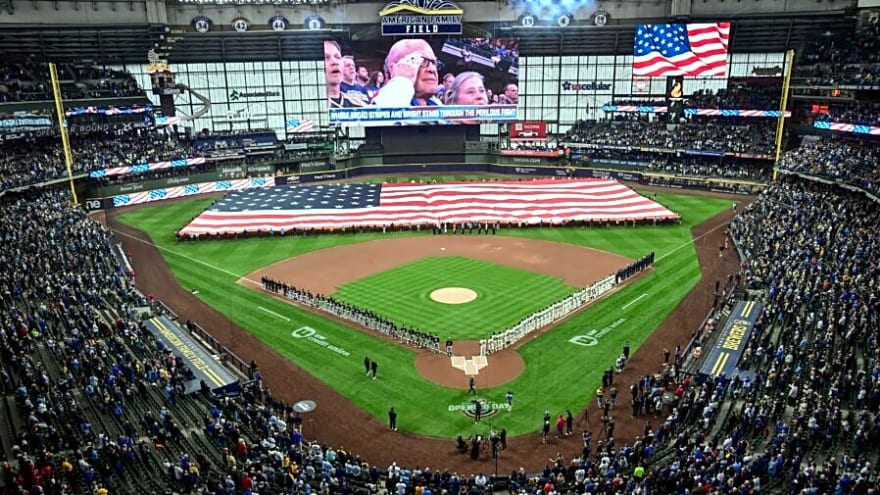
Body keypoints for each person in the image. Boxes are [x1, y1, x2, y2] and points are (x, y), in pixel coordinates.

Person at [373, 38, 442, 107]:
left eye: (433, 63)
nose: (432, 69)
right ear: (394, 69)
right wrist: (401, 81)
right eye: (422, 61)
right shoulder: (380, 101)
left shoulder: (440, 107)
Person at [324, 40, 366, 108]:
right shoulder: (308, 107)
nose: (335, 62)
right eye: (326, 58)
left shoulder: (360, 106)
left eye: (337, 57)